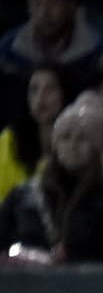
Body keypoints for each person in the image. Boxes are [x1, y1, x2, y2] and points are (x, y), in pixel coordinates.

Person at [0, 89, 103, 261]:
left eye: (82, 139)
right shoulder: (22, 196)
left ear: (96, 147)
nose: (72, 145)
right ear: (55, 145)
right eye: (65, 137)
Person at [0, 0, 103, 96]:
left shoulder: (97, 48)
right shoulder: (8, 49)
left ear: (71, 6)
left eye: (53, 2)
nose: (44, 13)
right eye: (37, 3)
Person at [0, 60, 67, 200]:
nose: (40, 98)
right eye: (34, 89)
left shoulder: (84, 136)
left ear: (64, 94)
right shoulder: (8, 140)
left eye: (50, 89)